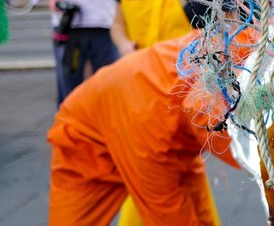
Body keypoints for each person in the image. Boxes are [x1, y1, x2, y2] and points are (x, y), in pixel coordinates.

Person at [47, 31, 238, 226]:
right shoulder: (156, 131)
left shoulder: (245, 43)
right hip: (90, 139)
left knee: (198, 214)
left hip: (163, 119)